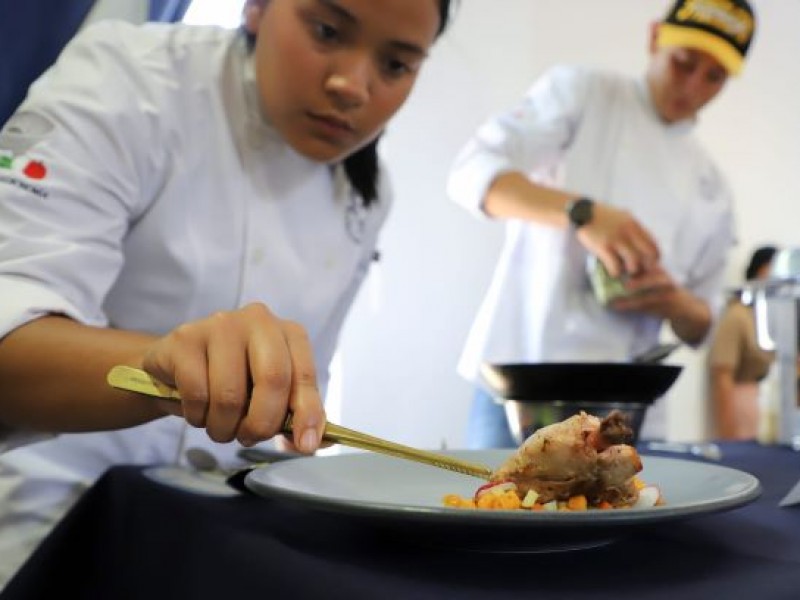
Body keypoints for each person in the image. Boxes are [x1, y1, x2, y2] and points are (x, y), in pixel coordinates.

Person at [0, 0, 454, 587]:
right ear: (257, 8)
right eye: (326, 31)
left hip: (215, 544)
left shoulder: (367, 192)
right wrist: (166, 369)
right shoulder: (130, 80)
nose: (351, 86)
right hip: (41, 523)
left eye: (395, 65)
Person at [447, 0, 756, 448]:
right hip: (522, 385)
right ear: (654, 39)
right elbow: (472, 172)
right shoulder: (584, 93)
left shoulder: (713, 188)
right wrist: (583, 214)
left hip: (626, 408)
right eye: (684, 63)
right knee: (498, 508)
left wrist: (672, 302)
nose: (691, 87)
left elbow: (702, 324)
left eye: (714, 77)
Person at [708, 245, 777, 440]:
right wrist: (729, 437)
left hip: (769, 412)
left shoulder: (774, 318)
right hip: (743, 411)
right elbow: (722, 375)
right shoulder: (737, 316)